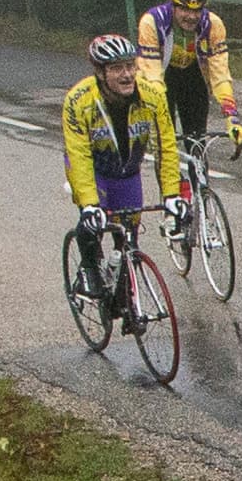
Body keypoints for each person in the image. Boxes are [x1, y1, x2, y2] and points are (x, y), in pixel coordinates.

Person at [62, 31, 181, 310]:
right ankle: (89, 269)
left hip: (128, 174)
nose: (127, 74)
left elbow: (166, 147)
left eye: (130, 66)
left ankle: (125, 299)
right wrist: (90, 205)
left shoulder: (152, 95)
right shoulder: (79, 100)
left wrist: (173, 196)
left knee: (128, 239)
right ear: (101, 73)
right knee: (93, 223)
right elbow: (78, 155)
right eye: (117, 68)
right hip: (94, 172)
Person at [134, 0, 241, 153]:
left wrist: (232, 117)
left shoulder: (213, 24)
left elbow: (220, 74)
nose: (192, 16)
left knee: (197, 142)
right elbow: (151, 74)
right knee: (164, 145)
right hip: (161, 77)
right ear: (173, 6)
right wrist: (155, 116)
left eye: (197, 9)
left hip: (193, 77)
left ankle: (199, 176)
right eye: (185, 9)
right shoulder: (152, 22)